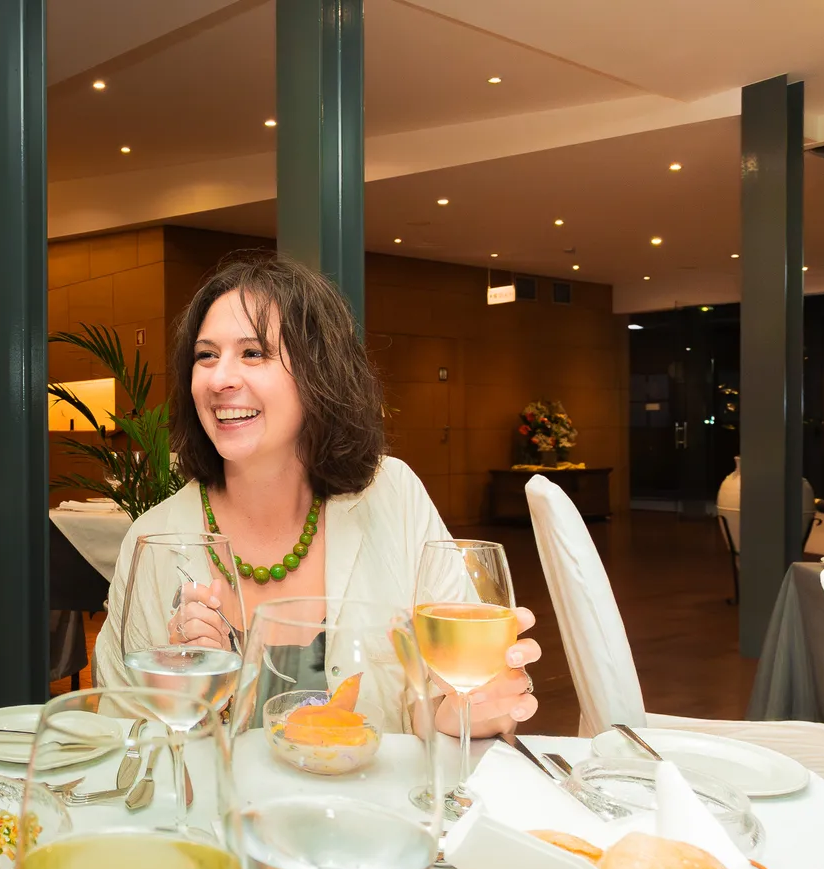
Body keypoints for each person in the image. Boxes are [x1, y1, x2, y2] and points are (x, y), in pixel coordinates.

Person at [95, 253, 539, 735]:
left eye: (253, 353)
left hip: (378, 809)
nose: (220, 378)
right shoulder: (154, 540)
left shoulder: (394, 497)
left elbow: (443, 705)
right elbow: (122, 739)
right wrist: (182, 700)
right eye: (206, 355)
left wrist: (466, 715)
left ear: (318, 374)